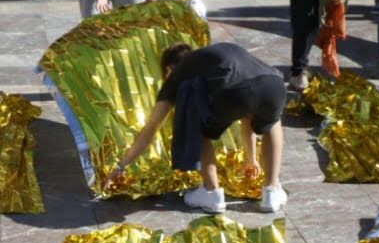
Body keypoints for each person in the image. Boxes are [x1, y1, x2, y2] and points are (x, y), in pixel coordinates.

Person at [113, 42, 289, 214]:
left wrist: (122, 165)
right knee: (273, 123)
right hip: (273, 85)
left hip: (234, 93)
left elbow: (152, 126)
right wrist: (251, 159)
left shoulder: (178, 74)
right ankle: (271, 191)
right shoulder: (215, 58)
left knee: (200, 128)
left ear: (169, 69)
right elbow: (247, 113)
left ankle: (212, 194)